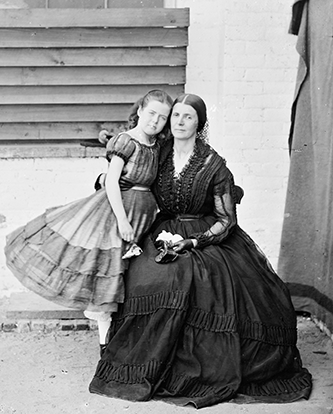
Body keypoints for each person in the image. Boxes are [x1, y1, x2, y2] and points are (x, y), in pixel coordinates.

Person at [89, 93, 312, 407]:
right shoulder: (159, 153)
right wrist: (105, 174)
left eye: (188, 117)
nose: (179, 122)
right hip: (161, 228)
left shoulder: (213, 163)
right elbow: (130, 171)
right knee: (151, 274)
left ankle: (195, 368)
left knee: (198, 277)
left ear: (200, 124)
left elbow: (226, 219)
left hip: (205, 235)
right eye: (175, 116)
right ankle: (146, 361)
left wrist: (194, 242)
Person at [5, 89, 173, 355]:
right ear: (140, 110)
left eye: (162, 118)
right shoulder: (126, 141)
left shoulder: (156, 147)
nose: (155, 121)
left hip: (143, 215)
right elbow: (112, 182)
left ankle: (124, 339)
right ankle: (105, 346)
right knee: (106, 274)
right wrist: (122, 221)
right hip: (116, 213)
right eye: (151, 113)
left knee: (130, 278)